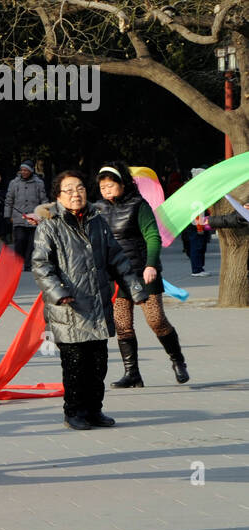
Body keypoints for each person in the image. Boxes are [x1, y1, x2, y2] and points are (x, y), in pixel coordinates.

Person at [32, 170, 146, 431]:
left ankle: (95, 410)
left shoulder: (97, 222)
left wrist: (136, 289)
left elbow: (117, 259)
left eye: (80, 188)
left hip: (97, 306)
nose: (76, 193)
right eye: (69, 189)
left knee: (98, 364)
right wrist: (59, 293)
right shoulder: (49, 225)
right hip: (69, 309)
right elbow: (40, 266)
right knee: (75, 366)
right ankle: (74, 412)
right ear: (58, 196)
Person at [93, 162, 189, 386]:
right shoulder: (97, 208)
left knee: (156, 320)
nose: (106, 190)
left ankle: (177, 360)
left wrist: (151, 265)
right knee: (123, 324)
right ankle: (132, 373)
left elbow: (152, 237)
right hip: (115, 275)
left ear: (122, 184)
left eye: (110, 186)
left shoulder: (139, 205)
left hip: (142, 273)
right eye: (102, 187)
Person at [4, 160, 48, 271]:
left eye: (26, 170)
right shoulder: (14, 183)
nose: (23, 172)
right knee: (19, 240)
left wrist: (44, 215)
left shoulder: (39, 183)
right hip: (18, 217)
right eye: (22, 170)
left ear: (31, 171)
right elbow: (9, 199)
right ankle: (18, 262)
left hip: (34, 218)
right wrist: (7, 215)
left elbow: (43, 200)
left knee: (31, 243)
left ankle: (28, 263)